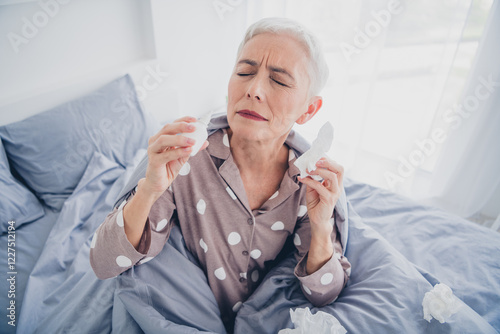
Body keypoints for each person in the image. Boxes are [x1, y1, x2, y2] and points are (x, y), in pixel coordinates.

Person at [90, 17, 351, 331]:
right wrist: (149, 189)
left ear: (308, 110)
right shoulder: (187, 158)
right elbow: (103, 263)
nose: (253, 89)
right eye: (244, 72)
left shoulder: (306, 183)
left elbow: (323, 293)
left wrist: (322, 226)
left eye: (279, 81)